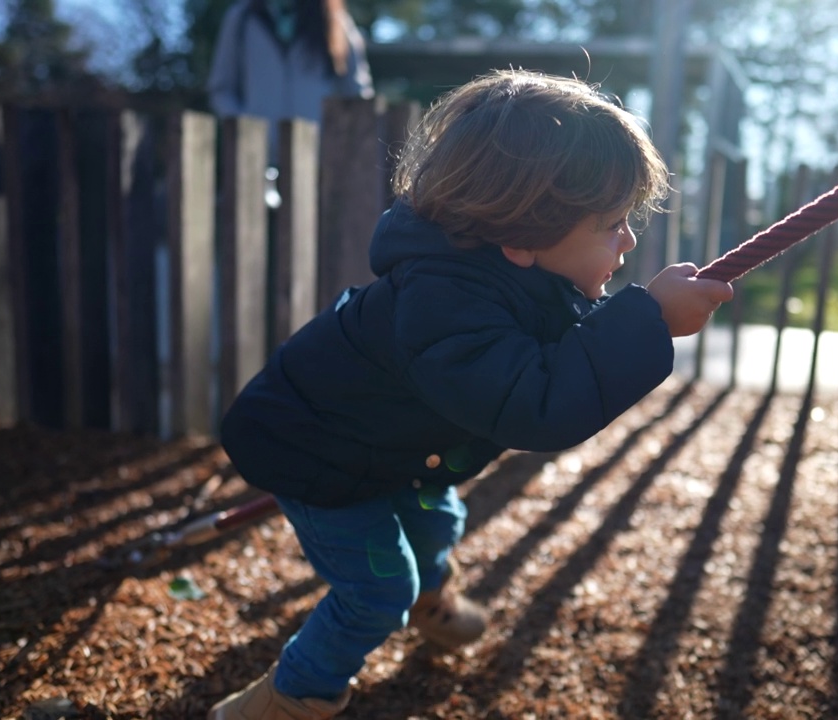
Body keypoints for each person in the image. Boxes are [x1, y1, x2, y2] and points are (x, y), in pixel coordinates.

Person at [208, 69, 735, 720]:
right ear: (520, 238)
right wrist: (649, 323)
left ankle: (431, 598)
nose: (628, 241)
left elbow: (557, 349)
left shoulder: (504, 272)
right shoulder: (442, 304)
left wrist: (638, 320)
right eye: (612, 224)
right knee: (375, 593)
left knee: (435, 521)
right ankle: (290, 699)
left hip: (390, 445)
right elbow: (536, 401)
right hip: (315, 453)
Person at [207, 0, 373, 165]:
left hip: (317, 159)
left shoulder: (334, 18)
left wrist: (338, 138)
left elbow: (358, 96)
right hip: (255, 160)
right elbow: (222, 89)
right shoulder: (242, 17)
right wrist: (244, 128)